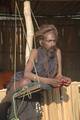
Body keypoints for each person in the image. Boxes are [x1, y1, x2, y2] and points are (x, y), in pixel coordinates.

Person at [0, 24, 71, 120]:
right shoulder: (35, 52)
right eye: (49, 41)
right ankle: (4, 103)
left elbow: (59, 75)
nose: (53, 44)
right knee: (26, 82)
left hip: (39, 83)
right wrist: (49, 81)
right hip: (24, 79)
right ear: (41, 42)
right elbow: (27, 74)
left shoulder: (57, 52)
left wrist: (64, 80)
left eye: (54, 41)